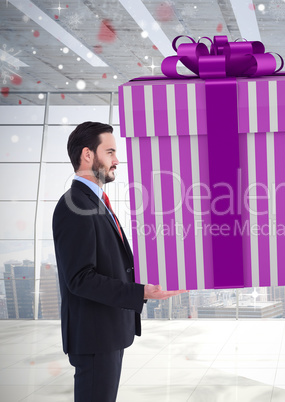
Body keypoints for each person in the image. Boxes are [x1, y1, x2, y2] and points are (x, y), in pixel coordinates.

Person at [52, 121, 187, 402]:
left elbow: (111, 262)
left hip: (104, 332)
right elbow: (80, 278)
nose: (117, 160)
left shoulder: (93, 202)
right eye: (110, 152)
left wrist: (149, 279)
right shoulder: (75, 205)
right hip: (94, 336)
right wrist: (140, 293)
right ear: (88, 155)